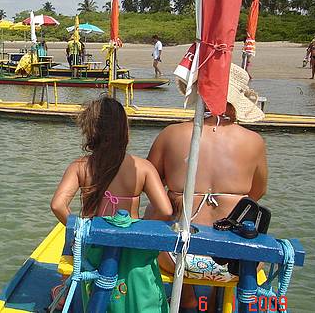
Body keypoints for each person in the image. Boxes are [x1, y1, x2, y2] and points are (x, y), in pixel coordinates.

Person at [146, 64, 268, 311]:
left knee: (157, 207)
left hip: (177, 257)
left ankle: (188, 295)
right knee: (245, 212)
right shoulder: (254, 141)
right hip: (237, 261)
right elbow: (257, 192)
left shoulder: (172, 134)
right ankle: (214, 298)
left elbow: (149, 183)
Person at [51, 96, 173, 312]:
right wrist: (139, 231)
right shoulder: (142, 168)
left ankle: (63, 290)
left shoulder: (80, 166)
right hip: (132, 246)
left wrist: (83, 231)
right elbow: (165, 210)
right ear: (124, 131)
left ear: (90, 131)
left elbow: (58, 205)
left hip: (95, 247)